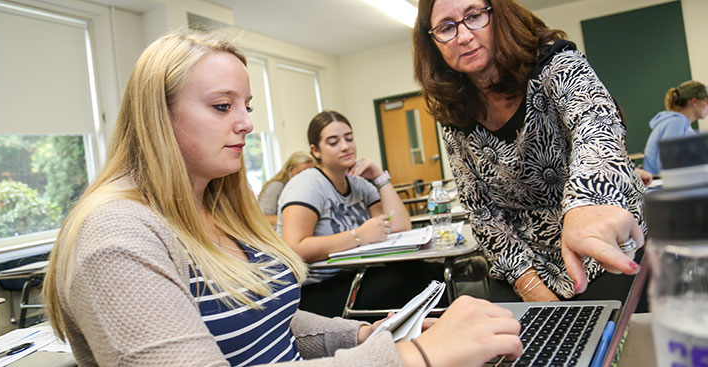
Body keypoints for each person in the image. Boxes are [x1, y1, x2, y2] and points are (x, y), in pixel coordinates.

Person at [42, 29, 522, 367]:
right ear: (156, 117)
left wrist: (364, 334)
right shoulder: (117, 235)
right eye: (222, 106)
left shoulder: (219, 209)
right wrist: (411, 355)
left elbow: (269, 323)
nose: (247, 123)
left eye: (246, 107)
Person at [413, 0, 646, 303]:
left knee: (617, 335)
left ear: (498, 15)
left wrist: (586, 204)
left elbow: (595, 123)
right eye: (446, 27)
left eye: (474, 16)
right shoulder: (455, 115)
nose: (464, 36)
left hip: (601, 239)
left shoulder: (557, 64)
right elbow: (481, 211)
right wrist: (530, 285)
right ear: (433, 44)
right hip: (525, 262)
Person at [278, 111, 444, 317]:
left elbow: (400, 226)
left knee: (424, 270)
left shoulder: (358, 182)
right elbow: (294, 248)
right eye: (333, 142)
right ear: (316, 151)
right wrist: (359, 236)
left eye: (349, 138)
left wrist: (379, 177)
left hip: (356, 275)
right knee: (411, 278)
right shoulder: (307, 184)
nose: (346, 146)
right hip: (317, 291)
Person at [642, 80, 708, 175]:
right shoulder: (677, 122)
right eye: (707, 101)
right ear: (694, 101)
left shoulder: (678, 122)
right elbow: (669, 163)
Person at [258, 151, 315, 226]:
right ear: (289, 170)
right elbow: (262, 218)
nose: (304, 178)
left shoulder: (306, 190)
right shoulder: (276, 186)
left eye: (308, 174)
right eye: (299, 173)